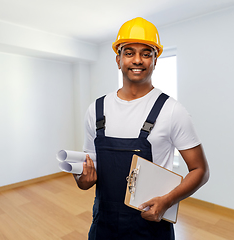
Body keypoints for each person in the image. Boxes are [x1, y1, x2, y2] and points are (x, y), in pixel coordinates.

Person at [74, 17, 209, 240]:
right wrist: (83, 181)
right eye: (129, 52)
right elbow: (88, 171)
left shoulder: (172, 110)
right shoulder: (96, 110)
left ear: (155, 60)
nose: (137, 60)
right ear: (118, 60)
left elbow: (200, 171)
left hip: (151, 225)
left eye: (146, 53)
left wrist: (167, 201)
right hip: (103, 225)